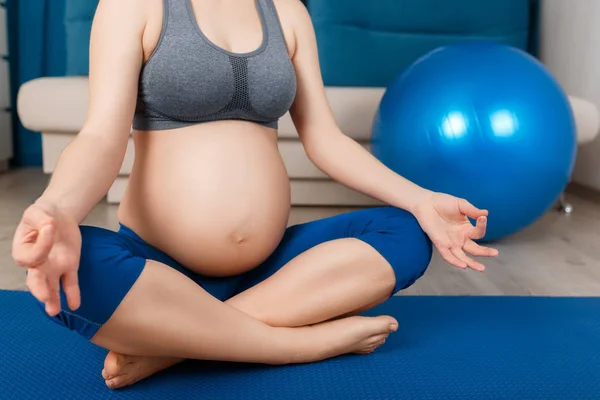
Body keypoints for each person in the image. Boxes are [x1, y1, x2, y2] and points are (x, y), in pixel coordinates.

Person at [12, 0, 498, 390]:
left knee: (406, 233)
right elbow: (100, 137)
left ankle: (173, 347)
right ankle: (298, 344)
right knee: (60, 276)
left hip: (270, 272)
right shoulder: (134, 6)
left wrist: (419, 198)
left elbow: (325, 139)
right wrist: (58, 208)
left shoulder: (287, 11)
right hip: (157, 272)